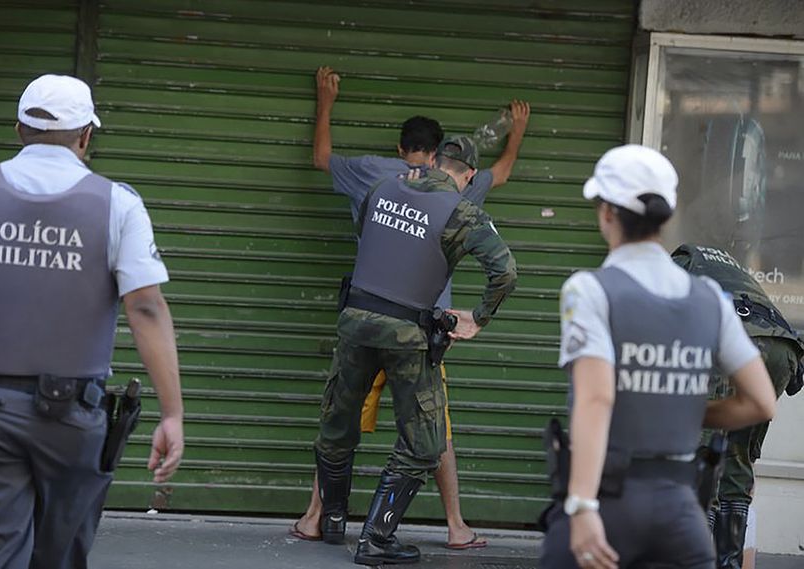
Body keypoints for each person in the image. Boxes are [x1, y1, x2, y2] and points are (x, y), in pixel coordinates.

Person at [0, 74, 184, 569]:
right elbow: (145, 307)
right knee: (60, 555)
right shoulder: (117, 203)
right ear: (85, 137)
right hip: (75, 417)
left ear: (19, 130)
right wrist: (172, 414)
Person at [292, 65, 529, 550]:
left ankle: (328, 520)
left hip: (357, 323)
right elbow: (505, 271)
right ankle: (378, 537)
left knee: (338, 427)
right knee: (426, 439)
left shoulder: (378, 186)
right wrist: (478, 319)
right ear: (464, 175)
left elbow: (365, 226)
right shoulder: (461, 208)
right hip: (411, 336)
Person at [539, 145, 777, 569]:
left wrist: (581, 506)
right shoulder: (711, 298)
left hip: (607, 503)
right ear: (665, 219)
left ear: (606, 213)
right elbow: (761, 401)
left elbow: (597, 399)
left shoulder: (589, 289)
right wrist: (684, 410)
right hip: (681, 514)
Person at [671, 243, 804, 569]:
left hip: (737, 338)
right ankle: (728, 563)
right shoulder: (730, 267)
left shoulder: (679, 262)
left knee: (705, 456)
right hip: (782, 346)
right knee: (737, 458)